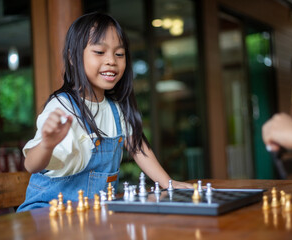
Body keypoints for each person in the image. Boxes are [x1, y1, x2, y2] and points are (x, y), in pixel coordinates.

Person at [17, 12, 192, 212]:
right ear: (73, 57)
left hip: (91, 215)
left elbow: (136, 145)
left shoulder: (115, 108)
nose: (111, 61)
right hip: (46, 213)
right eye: (100, 52)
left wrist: (168, 183)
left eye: (119, 54)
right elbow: (31, 165)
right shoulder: (61, 106)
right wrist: (47, 144)